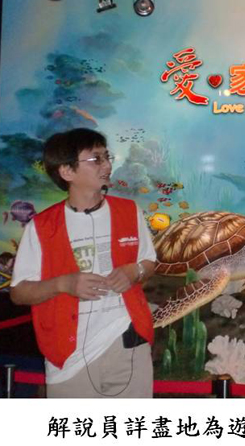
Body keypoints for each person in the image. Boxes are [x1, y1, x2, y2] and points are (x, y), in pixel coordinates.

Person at [10, 128, 156, 398]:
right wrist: (64, 284)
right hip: (69, 355)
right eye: (96, 159)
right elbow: (19, 293)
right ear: (67, 171)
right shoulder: (42, 226)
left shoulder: (129, 211)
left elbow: (148, 263)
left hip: (127, 343)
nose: (107, 165)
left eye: (107, 157)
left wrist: (134, 271)